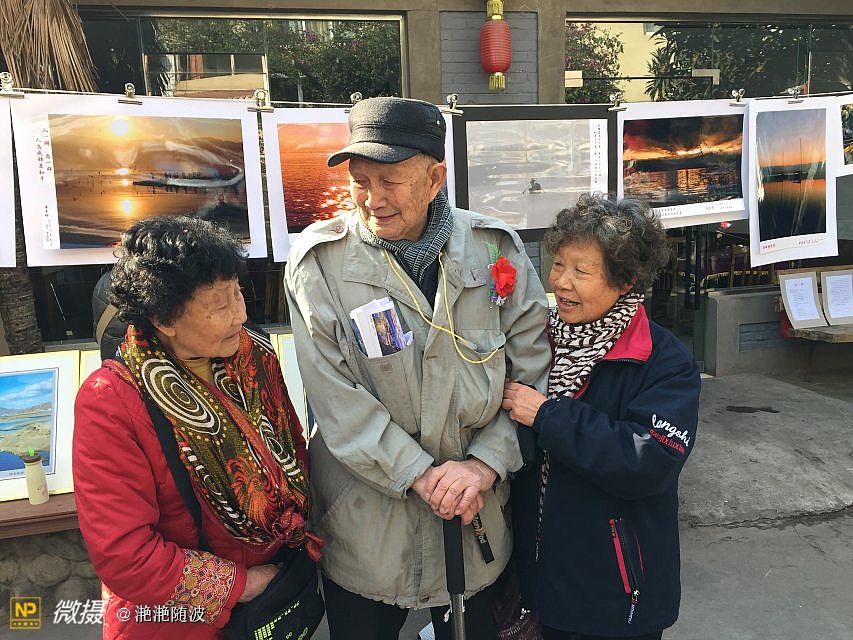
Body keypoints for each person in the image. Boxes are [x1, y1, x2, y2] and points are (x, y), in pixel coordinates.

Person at [283, 96, 551, 640]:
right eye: (360, 181)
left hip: (475, 518)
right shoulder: (320, 265)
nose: (372, 199)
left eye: (390, 181)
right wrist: (423, 476)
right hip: (366, 527)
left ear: (434, 180)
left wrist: (483, 466)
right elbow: (337, 402)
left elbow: (531, 374)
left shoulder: (495, 250)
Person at [73, 216, 321, 640]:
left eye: (238, 293)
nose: (241, 314)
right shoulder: (111, 401)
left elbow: (291, 447)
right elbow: (126, 555)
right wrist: (240, 585)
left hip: (275, 587)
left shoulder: (253, 354)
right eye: (220, 305)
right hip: (178, 622)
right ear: (163, 318)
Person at [502, 194, 701, 640]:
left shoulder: (663, 361)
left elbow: (649, 461)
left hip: (617, 592)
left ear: (625, 280)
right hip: (539, 579)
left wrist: (548, 415)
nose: (561, 282)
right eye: (558, 265)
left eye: (581, 271)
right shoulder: (536, 339)